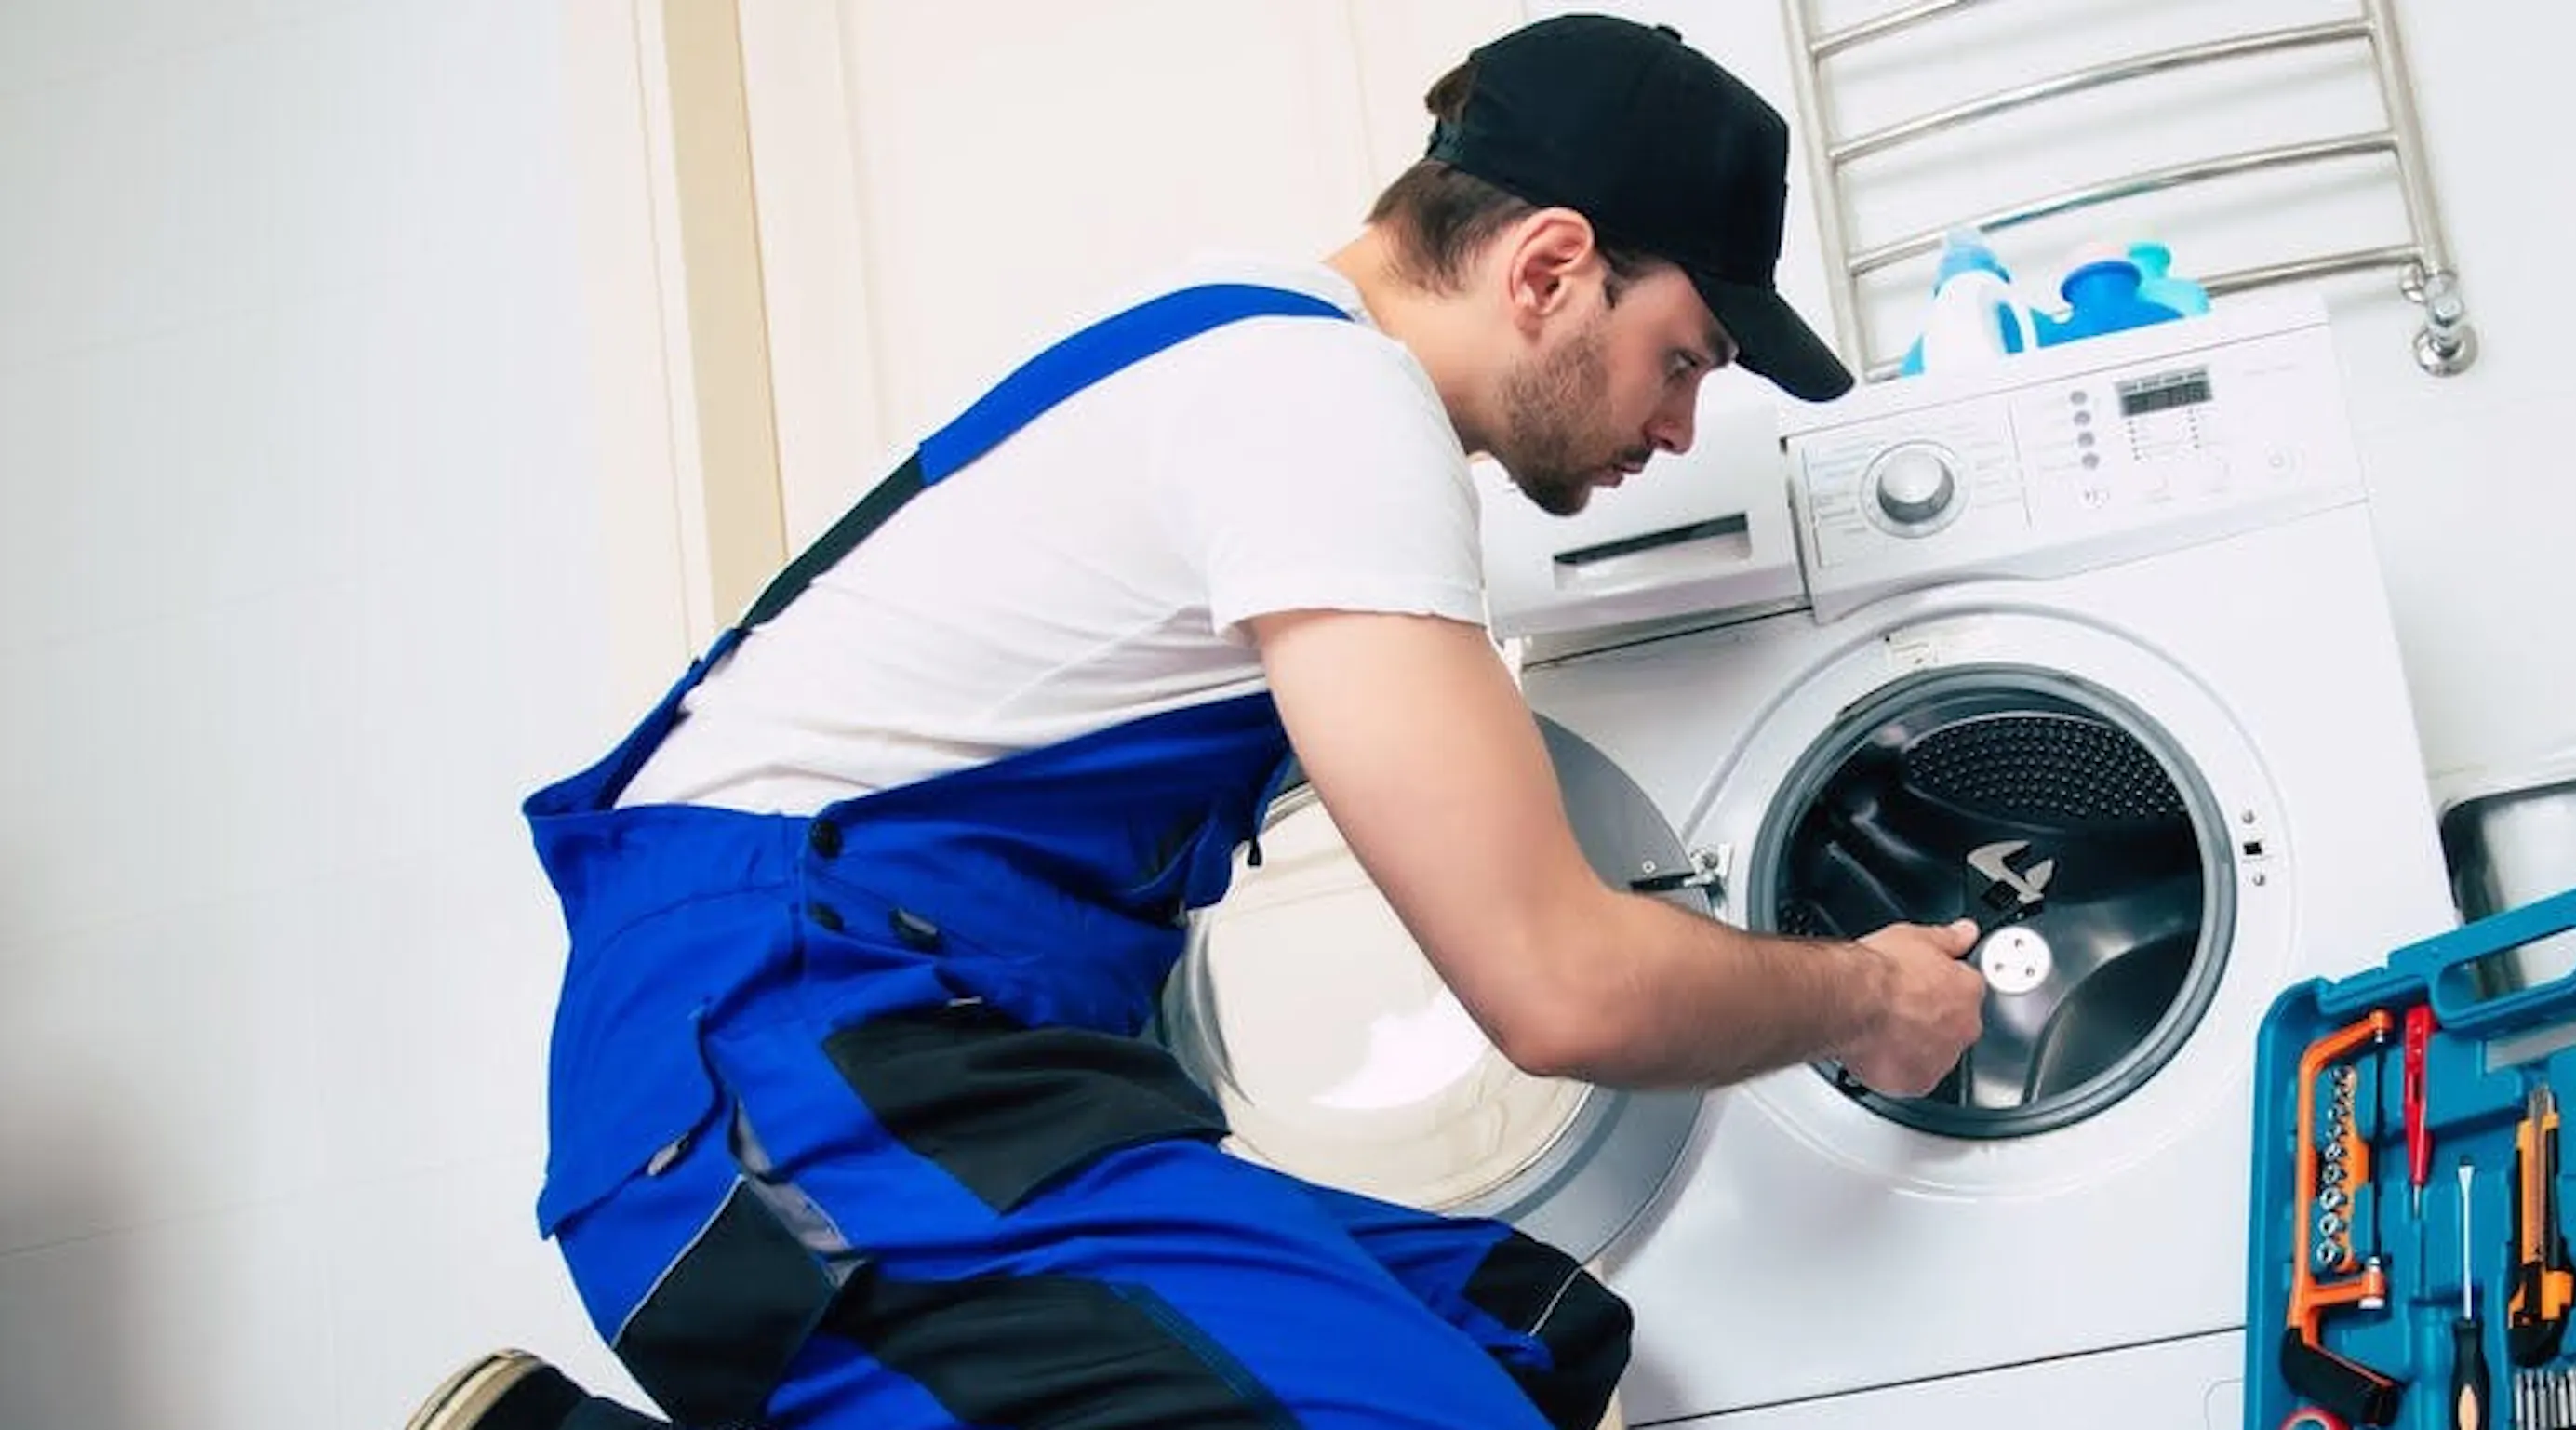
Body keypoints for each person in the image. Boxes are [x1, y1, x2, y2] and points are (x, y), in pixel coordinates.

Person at [406, 15, 1987, 1430]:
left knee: (1523, 1341)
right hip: (783, 1056)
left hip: (924, 1057)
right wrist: (1865, 997)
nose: (1678, 423)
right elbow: (1556, 986)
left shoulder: (1258, 358)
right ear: (1551, 267)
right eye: (1684, 357)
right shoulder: (1326, 409)